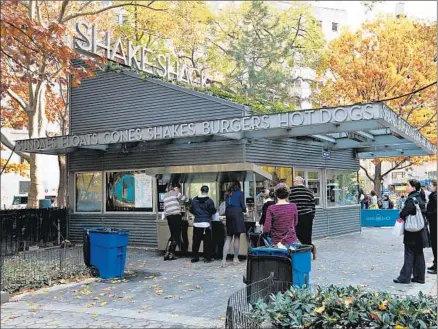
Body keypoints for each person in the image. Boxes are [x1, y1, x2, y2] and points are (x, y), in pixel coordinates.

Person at [394, 179, 426, 284]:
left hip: (411, 232)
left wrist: (402, 213)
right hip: (420, 230)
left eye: (408, 185)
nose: (406, 187)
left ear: (413, 187)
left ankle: (404, 277)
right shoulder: (421, 197)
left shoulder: (411, 199)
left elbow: (404, 213)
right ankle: (419, 277)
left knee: (409, 253)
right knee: (419, 254)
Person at [289, 176, 316, 259]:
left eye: (294, 181)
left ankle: (307, 250)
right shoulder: (309, 191)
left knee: (295, 234)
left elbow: (288, 203)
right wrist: (312, 216)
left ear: (297, 181)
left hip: (295, 216)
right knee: (307, 235)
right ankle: (310, 249)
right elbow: (313, 205)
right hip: (307, 216)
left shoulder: (291, 190)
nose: (293, 182)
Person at [189, 185, 216, 263]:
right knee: (207, 242)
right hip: (206, 224)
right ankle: (207, 258)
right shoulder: (209, 201)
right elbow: (212, 211)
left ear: (201, 190)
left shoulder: (194, 200)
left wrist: (197, 215)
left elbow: (191, 209)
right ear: (207, 191)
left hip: (197, 223)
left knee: (196, 242)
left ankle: (195, 257)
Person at [222, 182, 246, 267]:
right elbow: (243, 206)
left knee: (228, 237)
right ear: (239, 186)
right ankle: (235, 258)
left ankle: (224, 260)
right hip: (237, 213)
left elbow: (226, 206)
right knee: (237, 236)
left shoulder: (227, 194)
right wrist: (245, 210)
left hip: (229, 214)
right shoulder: (240, 193)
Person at [163, 183, 187, 261]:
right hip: (175, 216)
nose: (179, 190)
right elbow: (185, 199)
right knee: (176, 235)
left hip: (169, 217)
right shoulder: (175, 193)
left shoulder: (165, 195)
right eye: (179, 189)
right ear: (175, 188)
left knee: (173, 234)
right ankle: (171, 254)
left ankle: (167, 253)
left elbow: (165, 208)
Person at [427, 179, 437, 274]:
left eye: (431, 185)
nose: (429, 186)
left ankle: (436, 266)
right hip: (433, 224)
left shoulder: (435, 196)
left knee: (435, 245)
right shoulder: (433, 196)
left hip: (435, 225)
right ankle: (435, 264)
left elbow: (435, 211)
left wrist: (428, 213)